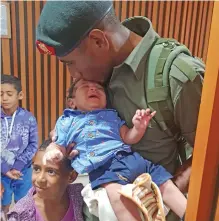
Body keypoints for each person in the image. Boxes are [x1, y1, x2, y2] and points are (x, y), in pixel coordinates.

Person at [36, 1, 204, 220]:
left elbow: (211, 152)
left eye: (70, 63)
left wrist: (160, 195)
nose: (73, 75)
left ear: (98, 40)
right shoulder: (97, 74)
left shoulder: (176, 74)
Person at [43, 79, 187, 221]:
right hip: (105, 168)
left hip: (132, 158)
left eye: (98, 88)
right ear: (71, 102)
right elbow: (57, 143)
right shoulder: (67, 121)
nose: (93, 88)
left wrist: (138, 128)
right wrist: (53, 152)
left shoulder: (111, 115)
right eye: (85, 86)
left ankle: (191, 214)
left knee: (165, 182)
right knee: (118, 197)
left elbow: (128, 137)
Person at [7, 139, 99, 221]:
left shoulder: (82, 199)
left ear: (71, 176)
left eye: (51, 171)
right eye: (36, 169)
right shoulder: (19, 215)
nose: (40, 179)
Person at [1, 74, 38, 218]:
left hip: (23, 170)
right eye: (0, 94)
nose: (4, 98)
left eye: (9, 94)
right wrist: (5, 169)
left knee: (23, 202)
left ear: (20, 95)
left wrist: (18, 165)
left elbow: (33, 144)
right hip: (1, 171)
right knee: (3, 204)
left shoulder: (28, 118)